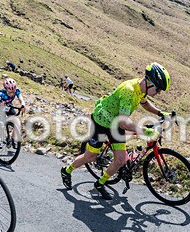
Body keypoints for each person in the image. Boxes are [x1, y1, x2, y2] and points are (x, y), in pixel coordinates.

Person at [60, 62, 172, 200]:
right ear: (149, 82)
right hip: (101, 121)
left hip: (114, 123)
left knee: (120, 160)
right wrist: (145, 131)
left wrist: (160, 113)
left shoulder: (141, 88)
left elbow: (144, 103)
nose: (158, 93)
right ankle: (67, 170)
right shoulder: (129, 91)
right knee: (91, 156)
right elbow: (123, 122)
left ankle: (100, 183)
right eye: (158, 89)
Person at [0, 78, 27, 143]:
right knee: (0, 124)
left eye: (13, 90)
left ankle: (13, 139)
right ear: (6, 89)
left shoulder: (17, 90)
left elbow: (21, 99)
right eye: (10, 91)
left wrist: (23, 105)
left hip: (8, 105)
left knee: (17, 122)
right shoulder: (2, 92)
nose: (12, 92)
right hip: (0, 106)